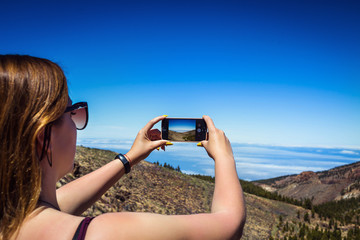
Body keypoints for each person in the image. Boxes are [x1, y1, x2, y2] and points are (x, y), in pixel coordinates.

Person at [0, 55, 246, 240]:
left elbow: (59, 203)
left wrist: (131, 157)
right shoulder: (102, 234)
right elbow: (229, 224)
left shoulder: (12, 215)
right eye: (70, 111)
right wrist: (224, 158)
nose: (77, 121)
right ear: (44, 136)